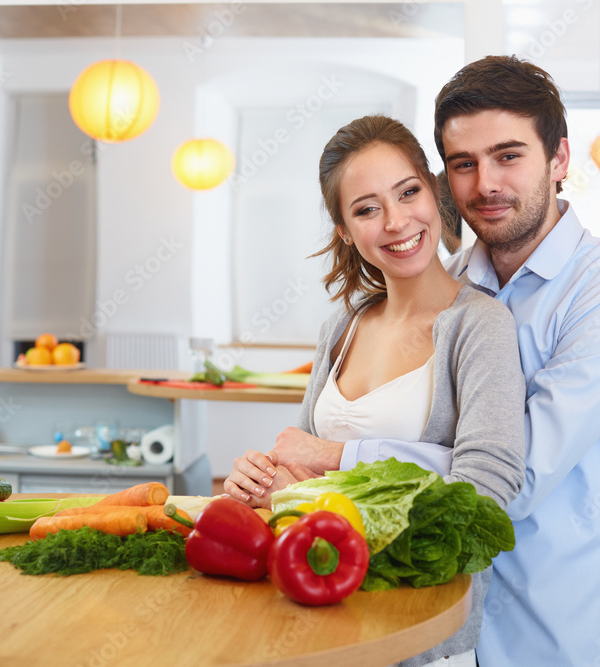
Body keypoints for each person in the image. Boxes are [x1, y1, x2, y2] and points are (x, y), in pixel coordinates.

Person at [224, 114, 527, 667]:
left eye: (408, 192)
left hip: (419, 636)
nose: (395, 221)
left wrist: (330, 467)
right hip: (321, 618)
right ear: (344, 230)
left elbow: (484, 492)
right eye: (366, 209)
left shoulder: (479, 325)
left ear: (435, 195)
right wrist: (268, 481)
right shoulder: (340, 330)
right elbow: (299, 468)